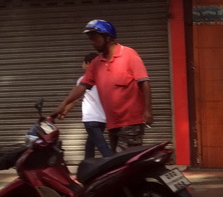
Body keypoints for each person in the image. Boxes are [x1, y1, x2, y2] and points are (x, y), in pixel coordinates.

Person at [52, 19, 152, 153]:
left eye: (95, 38)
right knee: (118, 163)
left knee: (123, 163)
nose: (92, 42)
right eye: (90, 39)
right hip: (112, 123)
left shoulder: (128, 54)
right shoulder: (96, 63)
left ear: (108, 37)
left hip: (131, 122)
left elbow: (144, 82)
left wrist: (148, 110)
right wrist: (62, 105)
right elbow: (81, 86)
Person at [74, 52, 113, 159]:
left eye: (83, 63)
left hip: (91, 119)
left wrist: (63, 110)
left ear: (88, 64)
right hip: (103, 119)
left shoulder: (83, 80)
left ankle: (115, 167)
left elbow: (74, 98)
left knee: (104, 149)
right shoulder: (104, 78)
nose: (81, 65)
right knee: (90, 145)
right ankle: (87, 169)